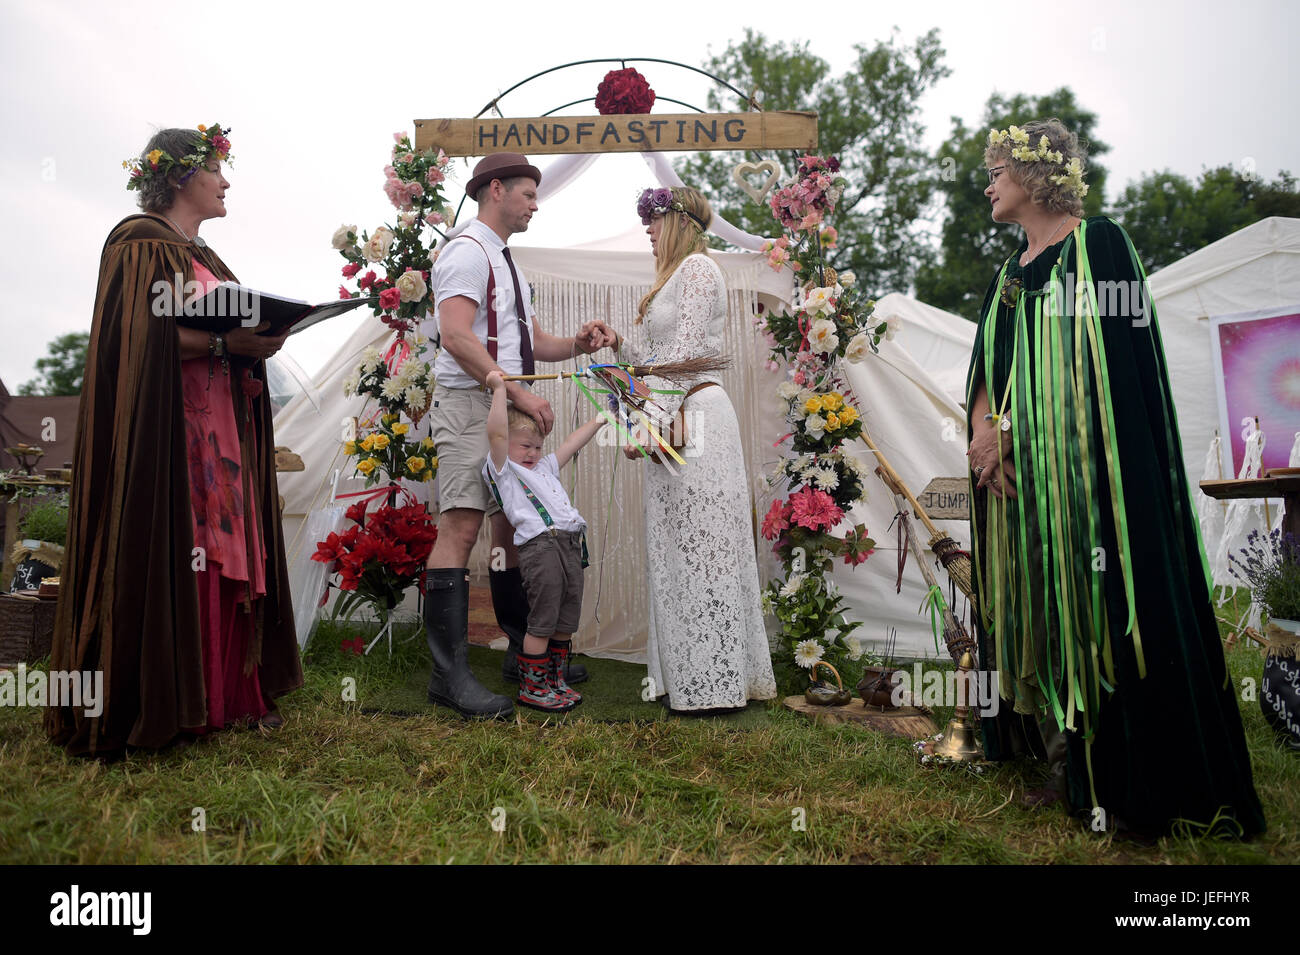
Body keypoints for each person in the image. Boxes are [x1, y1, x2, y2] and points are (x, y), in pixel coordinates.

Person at [966, 118, 1264, 836]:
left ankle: (1120, 774)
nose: (988, 185)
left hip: (1099, 499)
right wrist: (987, 434)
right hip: (1028, 494)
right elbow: (991, 363)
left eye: (997, 172)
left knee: (1102, 614)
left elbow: (1110, 376)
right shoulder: (1012, 272)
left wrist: (1020, 430)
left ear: (1035, 177)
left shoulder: (1100, 248)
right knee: (1042, 611)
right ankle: (1064, 759)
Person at [46, 125, 302, 757]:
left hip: (218, 428)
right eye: (217, 169)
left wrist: (263, 338)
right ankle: (164, 700)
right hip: (170, 431)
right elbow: (138, 339)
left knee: (217, 549)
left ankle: (221, 697)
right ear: (183, 176)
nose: (226, 181)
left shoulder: (204, 256)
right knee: (180, 548)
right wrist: (227, 343)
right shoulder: (139, 243)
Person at [423, 152, 615, 719]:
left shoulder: (504, 260)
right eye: (529, 194)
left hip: (500, 396)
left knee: (511, 530)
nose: (536, 204)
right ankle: (448, 674)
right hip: (468, 401)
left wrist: (579, 345)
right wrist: (512, 392)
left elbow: (525, 345)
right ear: (496, 190)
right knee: (461, 525)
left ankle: (518, 651)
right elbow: (457, 337)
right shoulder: (465, 251)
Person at [611, 186, 776, 713]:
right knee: (677, 545)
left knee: (705, 545)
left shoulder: (700, 270)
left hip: (698, 415)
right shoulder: (673, 278)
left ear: (679, 220)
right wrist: (620, 347)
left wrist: (647, 424)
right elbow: (663, 355)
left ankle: (717, 682)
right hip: (676, 412)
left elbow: (684, 356)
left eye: (653, 220)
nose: (647, 230)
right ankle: (689, 675)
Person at [481, 370, 604, 712]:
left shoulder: (544, 469)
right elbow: (496, 431)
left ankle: (554, 680)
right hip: (540, 547)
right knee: (543, 617)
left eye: (537, 446)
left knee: (566, 616)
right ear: (506, 445)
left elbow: (570, 444)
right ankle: (532, 688)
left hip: (569, 544)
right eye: (525, 446)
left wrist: (600, 418)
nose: (533, 453)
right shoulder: (504, 469)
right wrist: (497, 391)